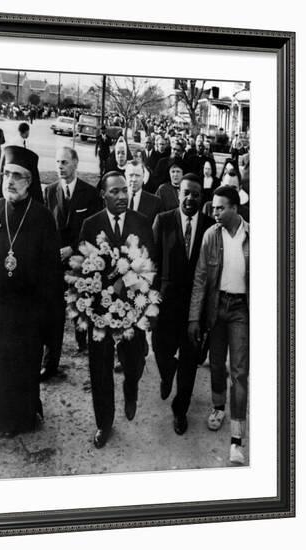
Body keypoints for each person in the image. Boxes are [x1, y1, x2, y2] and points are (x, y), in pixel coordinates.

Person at [0, 146, 62, 436]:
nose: (10, 181)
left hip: (27, 312)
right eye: (6, 174)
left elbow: (52, 273)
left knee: (22, 366)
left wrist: (48, 321)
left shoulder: (42, 218)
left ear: (30, 182)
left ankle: (22, 417)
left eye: (18, 176)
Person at [79, 172, 154, 449]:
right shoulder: (90, 224)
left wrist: (128, 282)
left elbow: (150, 265)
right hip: (100, 310)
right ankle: (104, 422)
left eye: (125, 191)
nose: (122, 196)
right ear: (104, 194)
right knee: (99, 368)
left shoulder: (142, 223)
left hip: (132, 309)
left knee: (133, 361)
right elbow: (81, 267)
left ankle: (131, 387)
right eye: (115, 192)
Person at [188, 186, 249, 464]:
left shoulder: (253, 236)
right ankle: (217, 407)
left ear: (235, 208)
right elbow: (201, 278)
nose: (214, 212)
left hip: (240, 311)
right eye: (213, 207)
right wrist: (194, 317)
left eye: (220, 208)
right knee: (215, 364)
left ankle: (237, 440)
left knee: (238, 372)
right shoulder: (210, 236)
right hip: (216, 308)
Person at [151, 174, 214, 435]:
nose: (190, 198)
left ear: (202, 198)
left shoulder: (211, 227)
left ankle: (180, 410)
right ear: (179, 193)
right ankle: (167, 375)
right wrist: (150, 301)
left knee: (189, 363)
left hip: (193, 311)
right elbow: (152, 262)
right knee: (162, 352)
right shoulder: (163, 221)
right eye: (186, 192)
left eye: (196, 194)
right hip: (165, 307)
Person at [43, 147, 101, 378]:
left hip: (79, 262)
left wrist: (74, 249)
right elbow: (45, 228)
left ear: (76, 163)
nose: (60, 167)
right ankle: (50, 362)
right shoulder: (49, 191)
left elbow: (95, 230)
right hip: (55, 264)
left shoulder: (89, 193)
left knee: (82, 308)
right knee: (54, 314)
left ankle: (86, 349)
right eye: (58, 162)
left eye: (65, 162)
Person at [125, 160, 162, 226]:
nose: (134, 179)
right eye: (131, 175)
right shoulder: (115, 199)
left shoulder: (155, 202)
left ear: (143, 177)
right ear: (125, 176)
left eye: (137, 175)